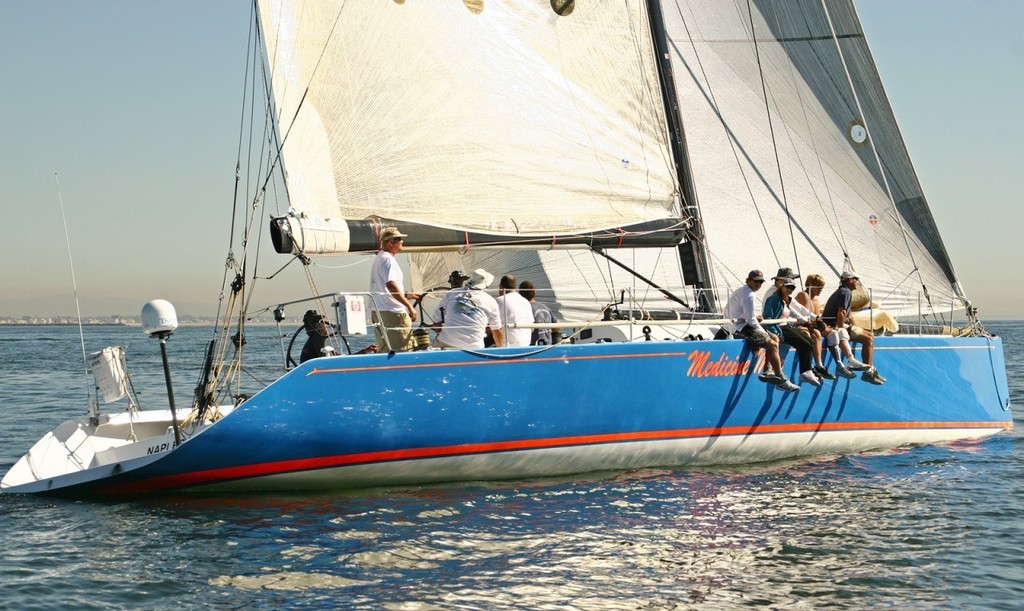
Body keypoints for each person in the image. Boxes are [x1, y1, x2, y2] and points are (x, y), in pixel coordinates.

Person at [724, 270, 799, 391]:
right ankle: (780, 377)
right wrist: (763, 332)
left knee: (774, 337)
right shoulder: (749, 294)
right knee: (771, 343)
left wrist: (755, 318)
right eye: (756, 281)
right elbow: (750, 320)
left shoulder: (744, 291)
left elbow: (747, 316)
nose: (759, 284)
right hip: (739, 328)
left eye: (761, 282)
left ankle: (768, 371)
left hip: (741, 324)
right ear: (748, 280)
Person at [821, 271, 885, 385]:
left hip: (838, 323)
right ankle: (868, 373)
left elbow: (848, 313)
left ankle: (870, 369)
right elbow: (841, 312)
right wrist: (840, 329)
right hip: (834, 324)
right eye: (856, 280)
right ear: (850, 280)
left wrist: (854, 326)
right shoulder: (845, 292)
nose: (857, 282)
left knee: (870, 335)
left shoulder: (844, 291)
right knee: (868, 339)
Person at [369, 226, 420, 352]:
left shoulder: (380, 258)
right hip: (393, 312)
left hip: (379, 310)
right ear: (390, 242)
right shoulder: (388, 260)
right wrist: (410, 306)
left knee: (385, 349)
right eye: (399, 239)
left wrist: (406, 295)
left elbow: (384, 287)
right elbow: (391, 285)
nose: (402, 241)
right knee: (403, 349)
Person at [763, 279, 822, 386]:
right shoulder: (774, 299)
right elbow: (767, 317)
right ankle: (803, 372)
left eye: (792, 288)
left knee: (810, 342)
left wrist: (809, 321)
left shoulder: (786, 299)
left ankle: (806, 371)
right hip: (779, 328)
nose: (789, 290)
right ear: (782, 287)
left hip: (786, 326)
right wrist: (776, 332)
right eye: (788, 287)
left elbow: (795, 312)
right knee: (804, 343)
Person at [797, 273, 857, 379]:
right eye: (819, 288)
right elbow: (796, 314)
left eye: (822, 288)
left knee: (833, 333)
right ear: (810, 285)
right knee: (815, 334)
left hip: (813, 325)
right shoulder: (803, 295)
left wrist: (822, 324)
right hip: (802, 326)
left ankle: (839, 365)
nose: (821, 290)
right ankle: (815, 365)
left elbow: (816, 317)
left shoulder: (816, 298)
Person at [433, 268, 504, 349]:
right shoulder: (491, 301)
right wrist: (501, 352)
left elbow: (436, 319)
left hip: (446, 343)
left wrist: (442, 333)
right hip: (474, 347)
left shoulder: (451, 294)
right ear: (486, 285)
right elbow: (497, 330)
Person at [494, 274, 534, 347]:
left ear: (501, 287)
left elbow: (492, 326)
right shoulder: (525, 301)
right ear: (515, 287)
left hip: (508, 347)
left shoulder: (500, 300)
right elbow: (532, 327)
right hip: (526, 345)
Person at [519, 280, 559, 345]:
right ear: (534, 292)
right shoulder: (545, 307)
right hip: (548, 347)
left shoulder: (524, 309)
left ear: (520, 294)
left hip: (533, 348)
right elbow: (558, 326)